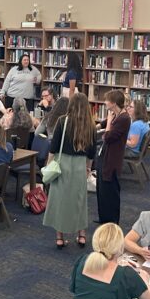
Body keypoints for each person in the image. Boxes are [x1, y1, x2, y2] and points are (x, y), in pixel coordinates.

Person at [70, 223, 150, 299]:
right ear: (120, 247)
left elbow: (76, 291)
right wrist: (145, 279)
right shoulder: (126, 274)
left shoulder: (82, 261)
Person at [43, 93, 95, 248]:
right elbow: (91, 152)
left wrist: (48, 165)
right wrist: (88, 168)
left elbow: (53, 148)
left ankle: (60, 237)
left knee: (60, 200)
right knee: (79, 201)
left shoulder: (62, 121)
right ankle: (81, 235)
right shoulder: (90, 125)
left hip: (62, 164)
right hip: (80, 165)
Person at [96, 89, 131, 224]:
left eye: (107, 100)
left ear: (113, 103)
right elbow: (103, 124)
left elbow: (108, 137)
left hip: (112, 159)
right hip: (104, 155)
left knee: (111, 190)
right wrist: (96, 126)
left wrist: (109, 122)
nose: (105, 102)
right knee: (102, 188)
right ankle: (103, 217)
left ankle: (112, 220)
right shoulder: (115, 114)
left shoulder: (124, 118)